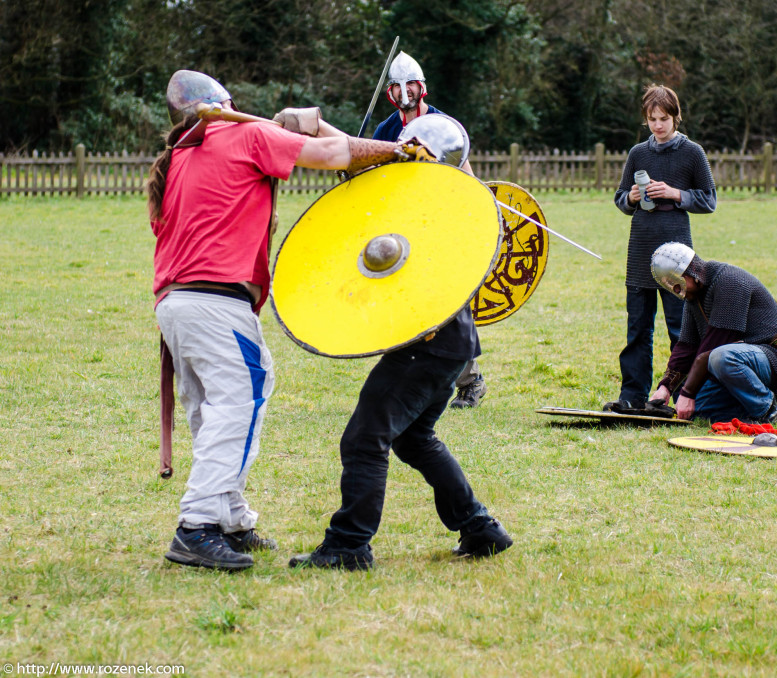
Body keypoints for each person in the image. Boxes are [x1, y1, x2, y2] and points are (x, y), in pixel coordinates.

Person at [149, 70, 420, 570]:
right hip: (214, 298)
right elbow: (334, 156)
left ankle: (229, 517)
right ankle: (197, 525)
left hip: (175, 303)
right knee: (240, 400)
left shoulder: (177, 158)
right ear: (225, 104)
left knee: (213, 407)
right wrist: (397, 151)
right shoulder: (244, 133)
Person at [288, 150, 513, 571]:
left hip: (428, 344)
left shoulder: (433, 211)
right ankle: (481, 528)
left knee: (363, 438)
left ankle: (349, 544)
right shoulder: (440, 209)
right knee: (414, 439)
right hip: (453, 345)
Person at [372, 51, 486, 409]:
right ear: (390, 92)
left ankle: (471, 380)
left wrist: (478, 203)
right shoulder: (385, 130)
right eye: (398, 87)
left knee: (449, 301)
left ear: (422, 87)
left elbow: (464, 171)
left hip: (440, 220)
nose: (405, 93)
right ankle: (409, 379)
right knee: (404, 298)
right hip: (402, 224)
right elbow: (375, 176)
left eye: (410, 85)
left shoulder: (441, 124)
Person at [604, 84, 717, 414]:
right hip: (640, 246)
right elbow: (620, 198)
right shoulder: (637, 153)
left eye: (664, 118)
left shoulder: (693, 153)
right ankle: (633, 395)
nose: (657, 125)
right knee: (638, 328)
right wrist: (631, 199)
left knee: (679, 329)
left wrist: (674, 193)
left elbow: (709, 200)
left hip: (677, 251)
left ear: (676, 117)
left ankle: (681, 394)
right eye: (652, 119)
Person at [646, 242, 777, 423]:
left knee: (721, 357)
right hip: (732, 362)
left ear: (691, 272)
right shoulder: (693, 296)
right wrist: (666, 388)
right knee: (692, 409)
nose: (678, 292)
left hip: (772, 358)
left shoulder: (730, 282)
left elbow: (716, 345)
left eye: (678, 284)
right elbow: (687, 346)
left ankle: (767, 409)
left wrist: (689, 391)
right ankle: (776, 406)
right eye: (673, 288)